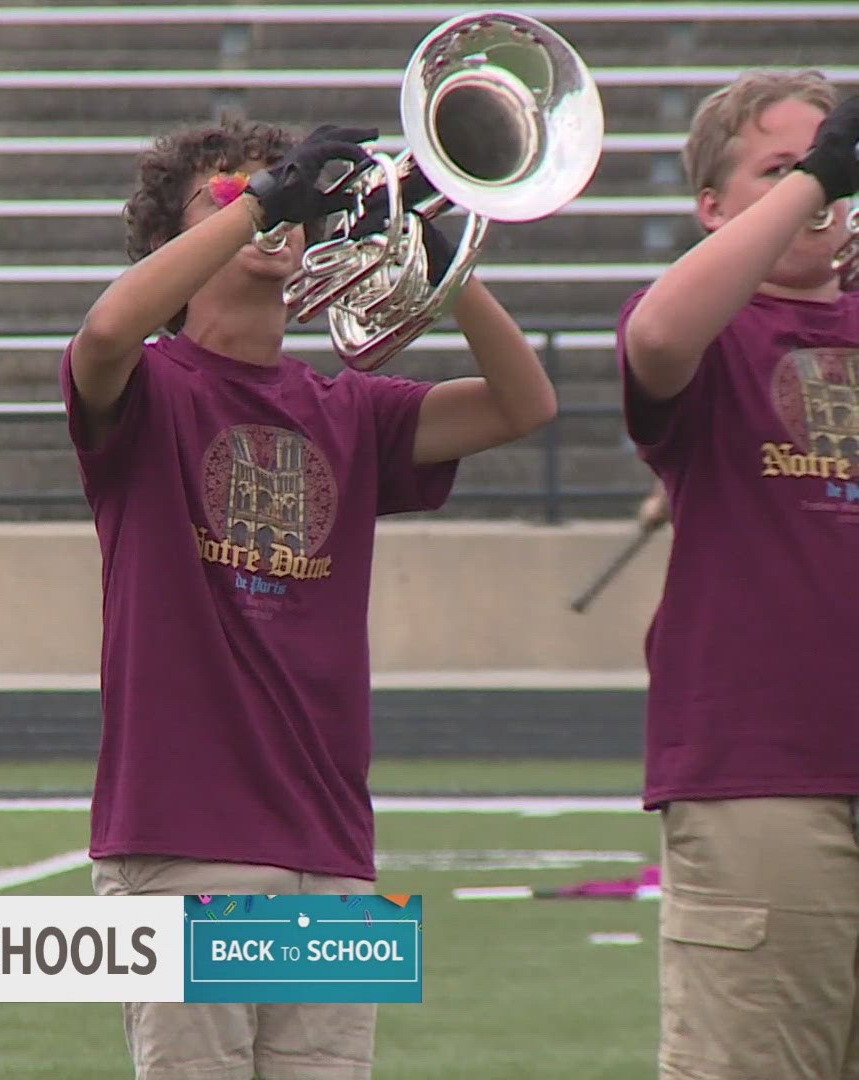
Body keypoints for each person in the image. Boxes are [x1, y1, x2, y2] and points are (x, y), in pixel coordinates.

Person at [63, 117, 557, 1079]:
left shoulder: (353, 408)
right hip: (183, 844)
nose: (270, 201)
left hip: (331, 851)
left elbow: (524, 404)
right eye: (230, 190)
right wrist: (269, 195)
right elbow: (108, 328)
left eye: (286, 187)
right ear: (175, 245)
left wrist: (437, 246)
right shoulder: (149, 387)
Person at [613, 70, 859, 1080]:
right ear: (713, 208)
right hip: (766, 776)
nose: (822, 187)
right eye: (781, 169)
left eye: (835, 164)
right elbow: (659, 336)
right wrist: (822, 177)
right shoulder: (709, 330)